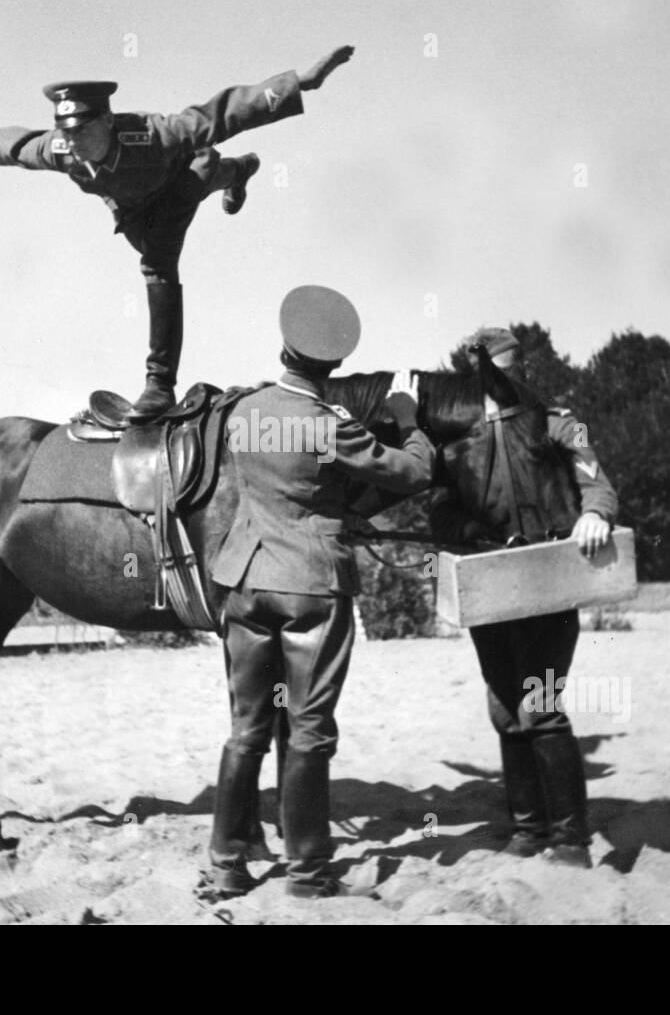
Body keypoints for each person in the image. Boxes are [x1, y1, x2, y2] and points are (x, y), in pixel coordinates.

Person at [0, 46, 355, 422]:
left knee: (158, 262)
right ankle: (239, 171)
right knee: (162, 230)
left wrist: (300, 83)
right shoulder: (61, 149)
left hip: (179, 181)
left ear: (106, 120)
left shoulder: (154, 134)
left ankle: (160, 384)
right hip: (134, 212)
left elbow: (222, 114)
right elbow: (17, 147)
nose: (72, 141)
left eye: (81, 131)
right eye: (65, 131)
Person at [203, 285, 436, 900]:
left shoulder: (243, 412)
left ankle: (227, 863)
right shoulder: (330, 425)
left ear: (284, 345)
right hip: (310, 587)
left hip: (247, 580)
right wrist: (410, 420)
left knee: (246, 727)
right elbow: (411, 472)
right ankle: (306, 872)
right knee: (308, 729)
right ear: (333, 366)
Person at [429, 327, 618, 868]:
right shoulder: (456, 438)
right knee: (506, 709)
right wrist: (465, 529)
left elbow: (597, 482)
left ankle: (571, 838)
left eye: (509, 372)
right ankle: (529, 830)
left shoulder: (559, 421)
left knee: (541, 708)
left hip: (549, 582)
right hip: (489, 586)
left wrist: (593, 515)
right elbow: (440, 512)